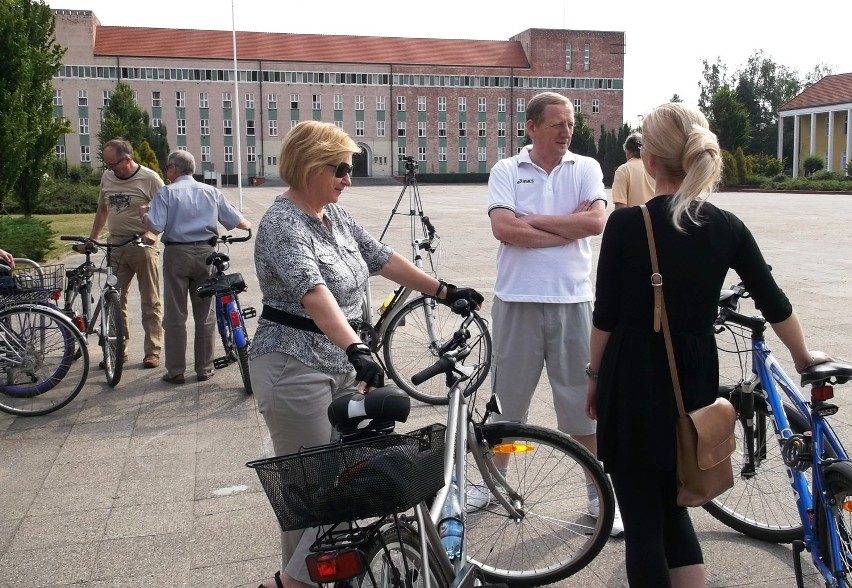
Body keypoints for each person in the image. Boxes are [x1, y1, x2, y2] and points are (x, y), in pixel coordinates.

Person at [585, 102, 829, 587]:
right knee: (677, 507)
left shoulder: (628, 224)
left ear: (649, 161)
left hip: (633, 375)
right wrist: (804, 359)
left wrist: (594, 377)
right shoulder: (727, 226)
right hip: (694, 376)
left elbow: (605, 317)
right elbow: (774, 303)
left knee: (643, 523)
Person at [252, 120, 484, 588]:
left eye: (350, 168)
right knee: (314, 492)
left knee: (341, 485)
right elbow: (313, 294)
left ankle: (313, 579)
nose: (347, 178)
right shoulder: (281, 223)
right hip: (294, 366)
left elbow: (382, 257)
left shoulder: (332, 216)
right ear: (308, 164)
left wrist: (443, 290)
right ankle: (293, 584)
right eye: (339, 168)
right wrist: (357, 346)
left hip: (339, 363)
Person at [483, 91, 623, 536]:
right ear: (531, 127)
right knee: (507, 404)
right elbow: (504, 229)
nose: (567, 131)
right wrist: (564, 225)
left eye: (570, 124)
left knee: (583, 407)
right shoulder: (507, 169)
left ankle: (598, 496)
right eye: (557, 123)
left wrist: (532, 221)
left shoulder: (585, 167)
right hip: (517, 299)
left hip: (573, 300)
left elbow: (596, 224)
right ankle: (493, 486)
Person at [141, 150, 251, 384]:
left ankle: (176, 371)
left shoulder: (166, 193)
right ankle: (204, 369)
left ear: (173, 168)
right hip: (206, 254)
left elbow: (156, 225)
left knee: (175, 314)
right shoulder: (211, 191)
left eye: (167, 167)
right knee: (206, 313)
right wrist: (246, 224)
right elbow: (237, 221)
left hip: (177, 255)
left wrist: (146, 217)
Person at [85, 138, 164, 369]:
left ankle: (153, 351)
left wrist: (152, 231)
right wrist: (93, 238)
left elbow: (165, 208)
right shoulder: (107, 177)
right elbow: (102, 209)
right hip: (116, 247)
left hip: (143, 245)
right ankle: (117, 350)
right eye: (106, 165)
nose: (109, 169)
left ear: (127, 159)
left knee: (150, 300)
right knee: (114, 300)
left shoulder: (149, 178)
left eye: (112, 164)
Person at [611, 132, 655, 208]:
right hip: (656, 217)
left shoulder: (623, 170)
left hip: (633, 219)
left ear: (628, 151)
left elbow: (620, 207)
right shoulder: (654, 167)